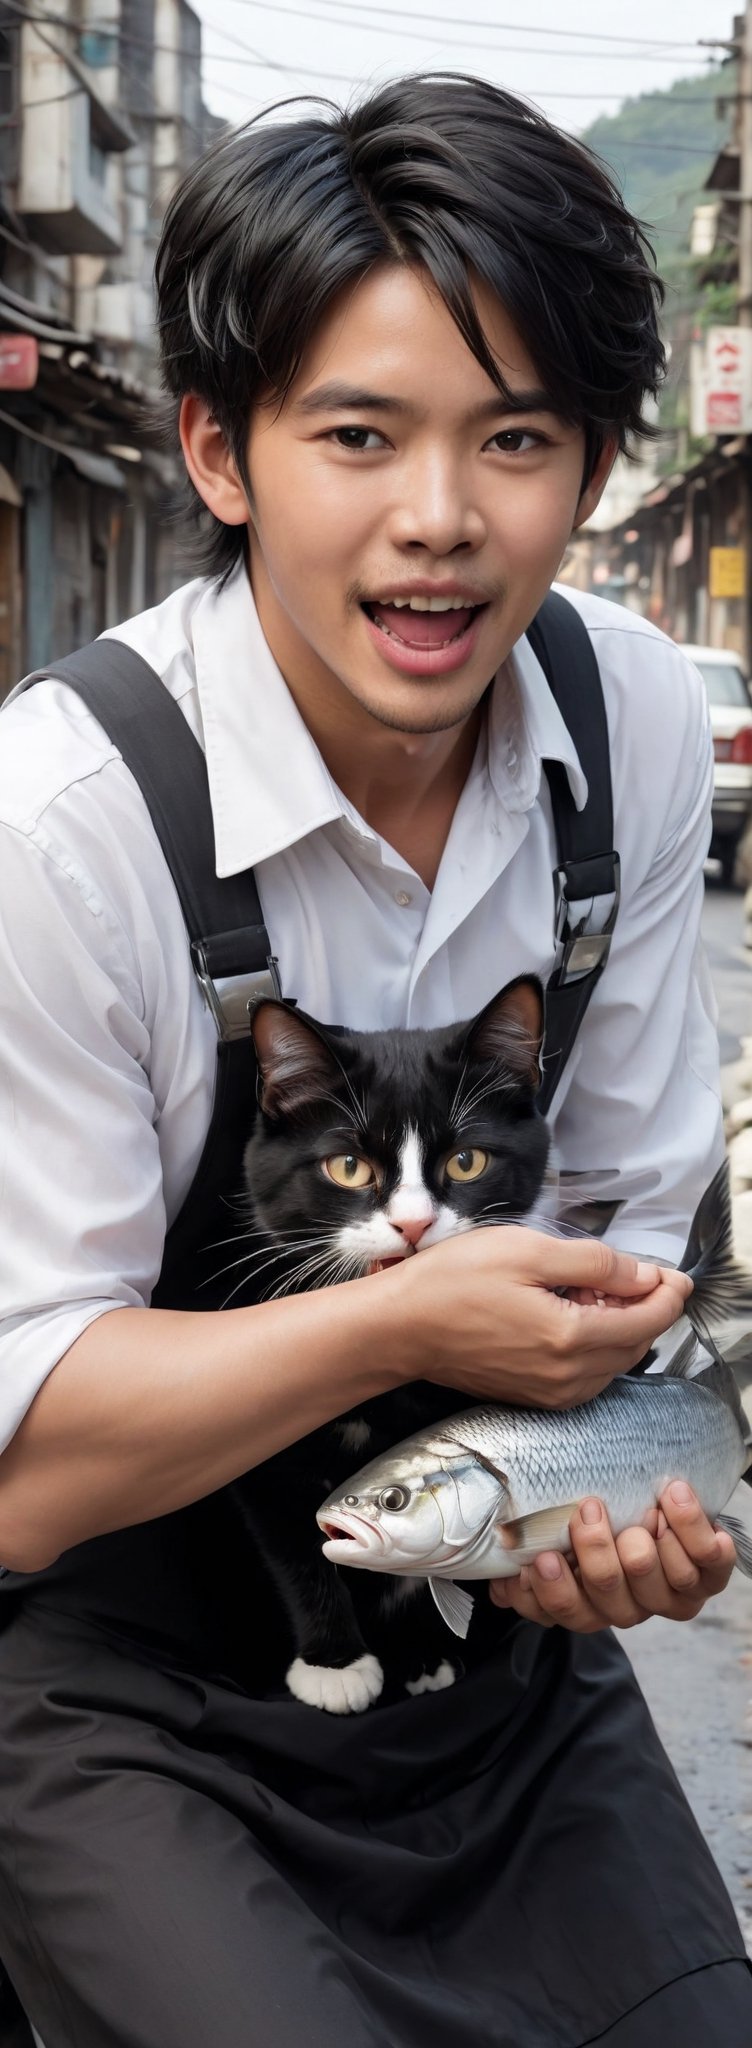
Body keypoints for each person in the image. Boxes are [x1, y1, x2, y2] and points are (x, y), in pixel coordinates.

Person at [0, 70, 749, 2048]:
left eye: (514, 438)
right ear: (218, 454)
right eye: (358, 434)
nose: (440, 520)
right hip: (119, 1672)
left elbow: (624, 1257)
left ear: (593, 465)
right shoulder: (61, 828)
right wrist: (396, 1329)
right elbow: (17, 1469)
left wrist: (607, 1519)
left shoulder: (638, 735)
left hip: (476, 1602)